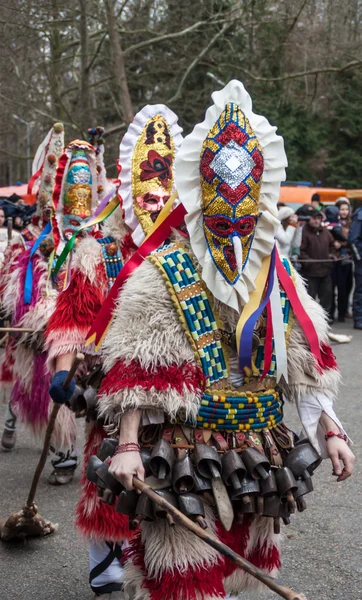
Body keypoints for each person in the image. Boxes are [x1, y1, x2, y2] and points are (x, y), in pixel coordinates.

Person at [92, 81, 353, 600]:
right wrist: (126, 445)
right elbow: (139, 368)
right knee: (185, 583)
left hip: (261, 451)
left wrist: (331, 429)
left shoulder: (278, 276)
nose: (232, 223)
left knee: (242, 578)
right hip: (183, 451)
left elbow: (305, 360)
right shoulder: (163, 271)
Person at [46, 105, 184, 599]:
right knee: (107, 479)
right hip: (109, 394)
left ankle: (164, 569)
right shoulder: (98, 250)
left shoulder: (186, 250)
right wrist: (64, 370)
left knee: (173, 485)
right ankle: (107, 565)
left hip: (176, 396)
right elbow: (72, 317)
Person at [300, 209, 335, 318]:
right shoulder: (304, 232)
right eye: (314, 218)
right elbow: (301, 250)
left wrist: (332, 255)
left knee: (327, 296)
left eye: (318, 218)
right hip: (310, 272)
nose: (316, 221)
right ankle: (310, 319)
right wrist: (308, 262)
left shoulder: (325, 231)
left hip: (325, 270)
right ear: (309, 219)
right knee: (310, 298)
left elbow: (332, 245)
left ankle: (326, 318)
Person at [329, 198, 353, 322]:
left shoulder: (352, 224)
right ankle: (332, 312)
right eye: (341, 209)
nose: (344, 212)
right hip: (334, 259)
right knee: (332, 287)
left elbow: (352, 241)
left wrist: (343, 244)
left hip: (347, 259)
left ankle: (343, 313)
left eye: (346, 209)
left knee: (345, 288)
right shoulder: (331, 223)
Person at [348, 202, 362, 329]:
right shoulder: (360, 215)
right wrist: (359, 258)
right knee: (360, 291)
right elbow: (353, 239)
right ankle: (358, 319)